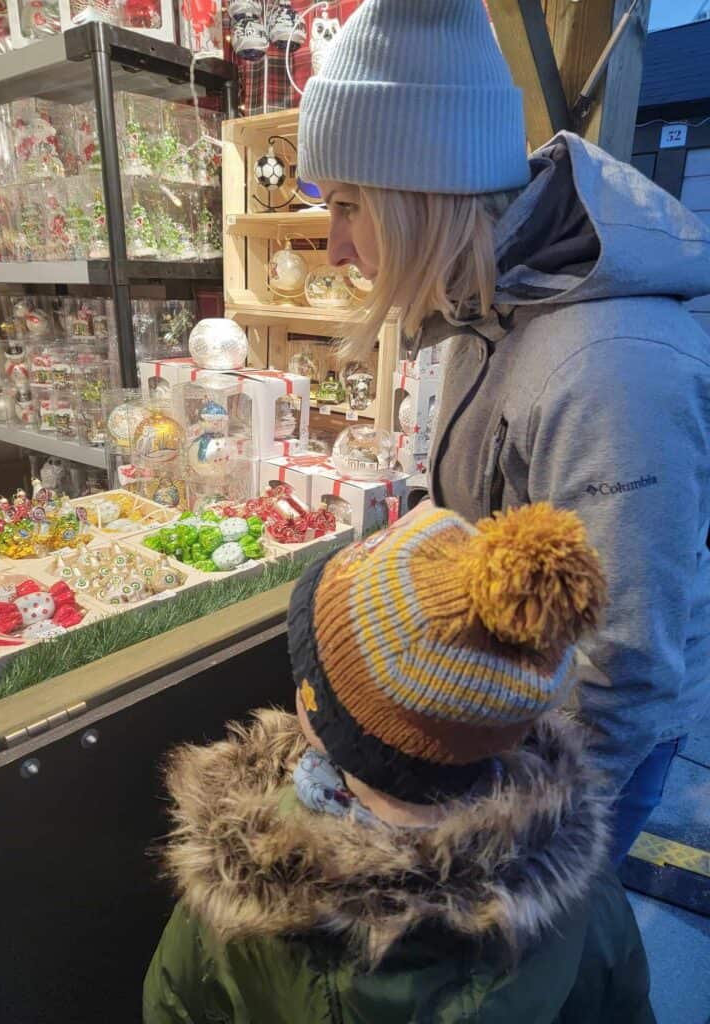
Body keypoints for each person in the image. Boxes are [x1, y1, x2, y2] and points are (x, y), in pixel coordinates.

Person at [296, 0, 710, 865]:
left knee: (535, 966)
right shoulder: (481, 305)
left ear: (418, 192)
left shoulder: (609, 368)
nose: (333, 247)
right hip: (503, 705)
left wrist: (512, 849)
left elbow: (621, 666)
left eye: (346, 206)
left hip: (576, 747)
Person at [144, 502, 654, 1023]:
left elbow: (176, 1003)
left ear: (319, 721)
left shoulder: (237, 893)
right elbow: (622, 1005)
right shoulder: (576, 889)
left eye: (308, 676)